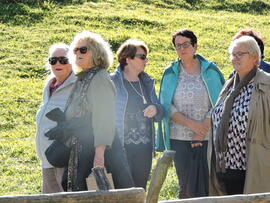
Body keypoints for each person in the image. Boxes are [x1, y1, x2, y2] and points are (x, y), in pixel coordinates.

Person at [156, 29, 224, 198]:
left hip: (207, 136)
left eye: (186, 44)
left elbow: (221, 101)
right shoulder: (170, 72)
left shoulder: (210, 70)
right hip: (178, 137)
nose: (182, 49)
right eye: (177, 46)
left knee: (207, 183)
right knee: (185, 184)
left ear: (195, 46)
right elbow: (166, 105)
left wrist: (202, 128)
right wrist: (192, 125)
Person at [210, 36, 270, 195]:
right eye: (232, 54)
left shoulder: (267, 85)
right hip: (225, 166)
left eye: (240, 54)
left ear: (255, 57)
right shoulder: (229, 84)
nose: (234, 58)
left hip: (252, 165)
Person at [59, 31, 116, 191]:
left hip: (92, 151)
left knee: (92, 193)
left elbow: (104, 119)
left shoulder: (99, 78)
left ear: (96, 52)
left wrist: (99, 157)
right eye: (75, 50)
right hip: (79, 149)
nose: (77, 53)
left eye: (83, 49)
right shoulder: (84, 77)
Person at [110, 39, 164, 189]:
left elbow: (160, 111)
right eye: (142, 56)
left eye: (146, 56)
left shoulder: (146, 82)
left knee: (140, 190)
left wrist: (155, 109)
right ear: (128, 59)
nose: (146, 60)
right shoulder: (112, 82)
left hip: (144, 149)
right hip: (121, 148)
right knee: (122, 191)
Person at [35, 43, 76, 193]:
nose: (57, 64)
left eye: (63, 60)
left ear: (71, 61)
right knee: (49, 197)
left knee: (65, 196)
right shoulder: (49, 85)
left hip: (63, 154)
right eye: (53, 60)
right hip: (46, 155)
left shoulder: (77, 85)